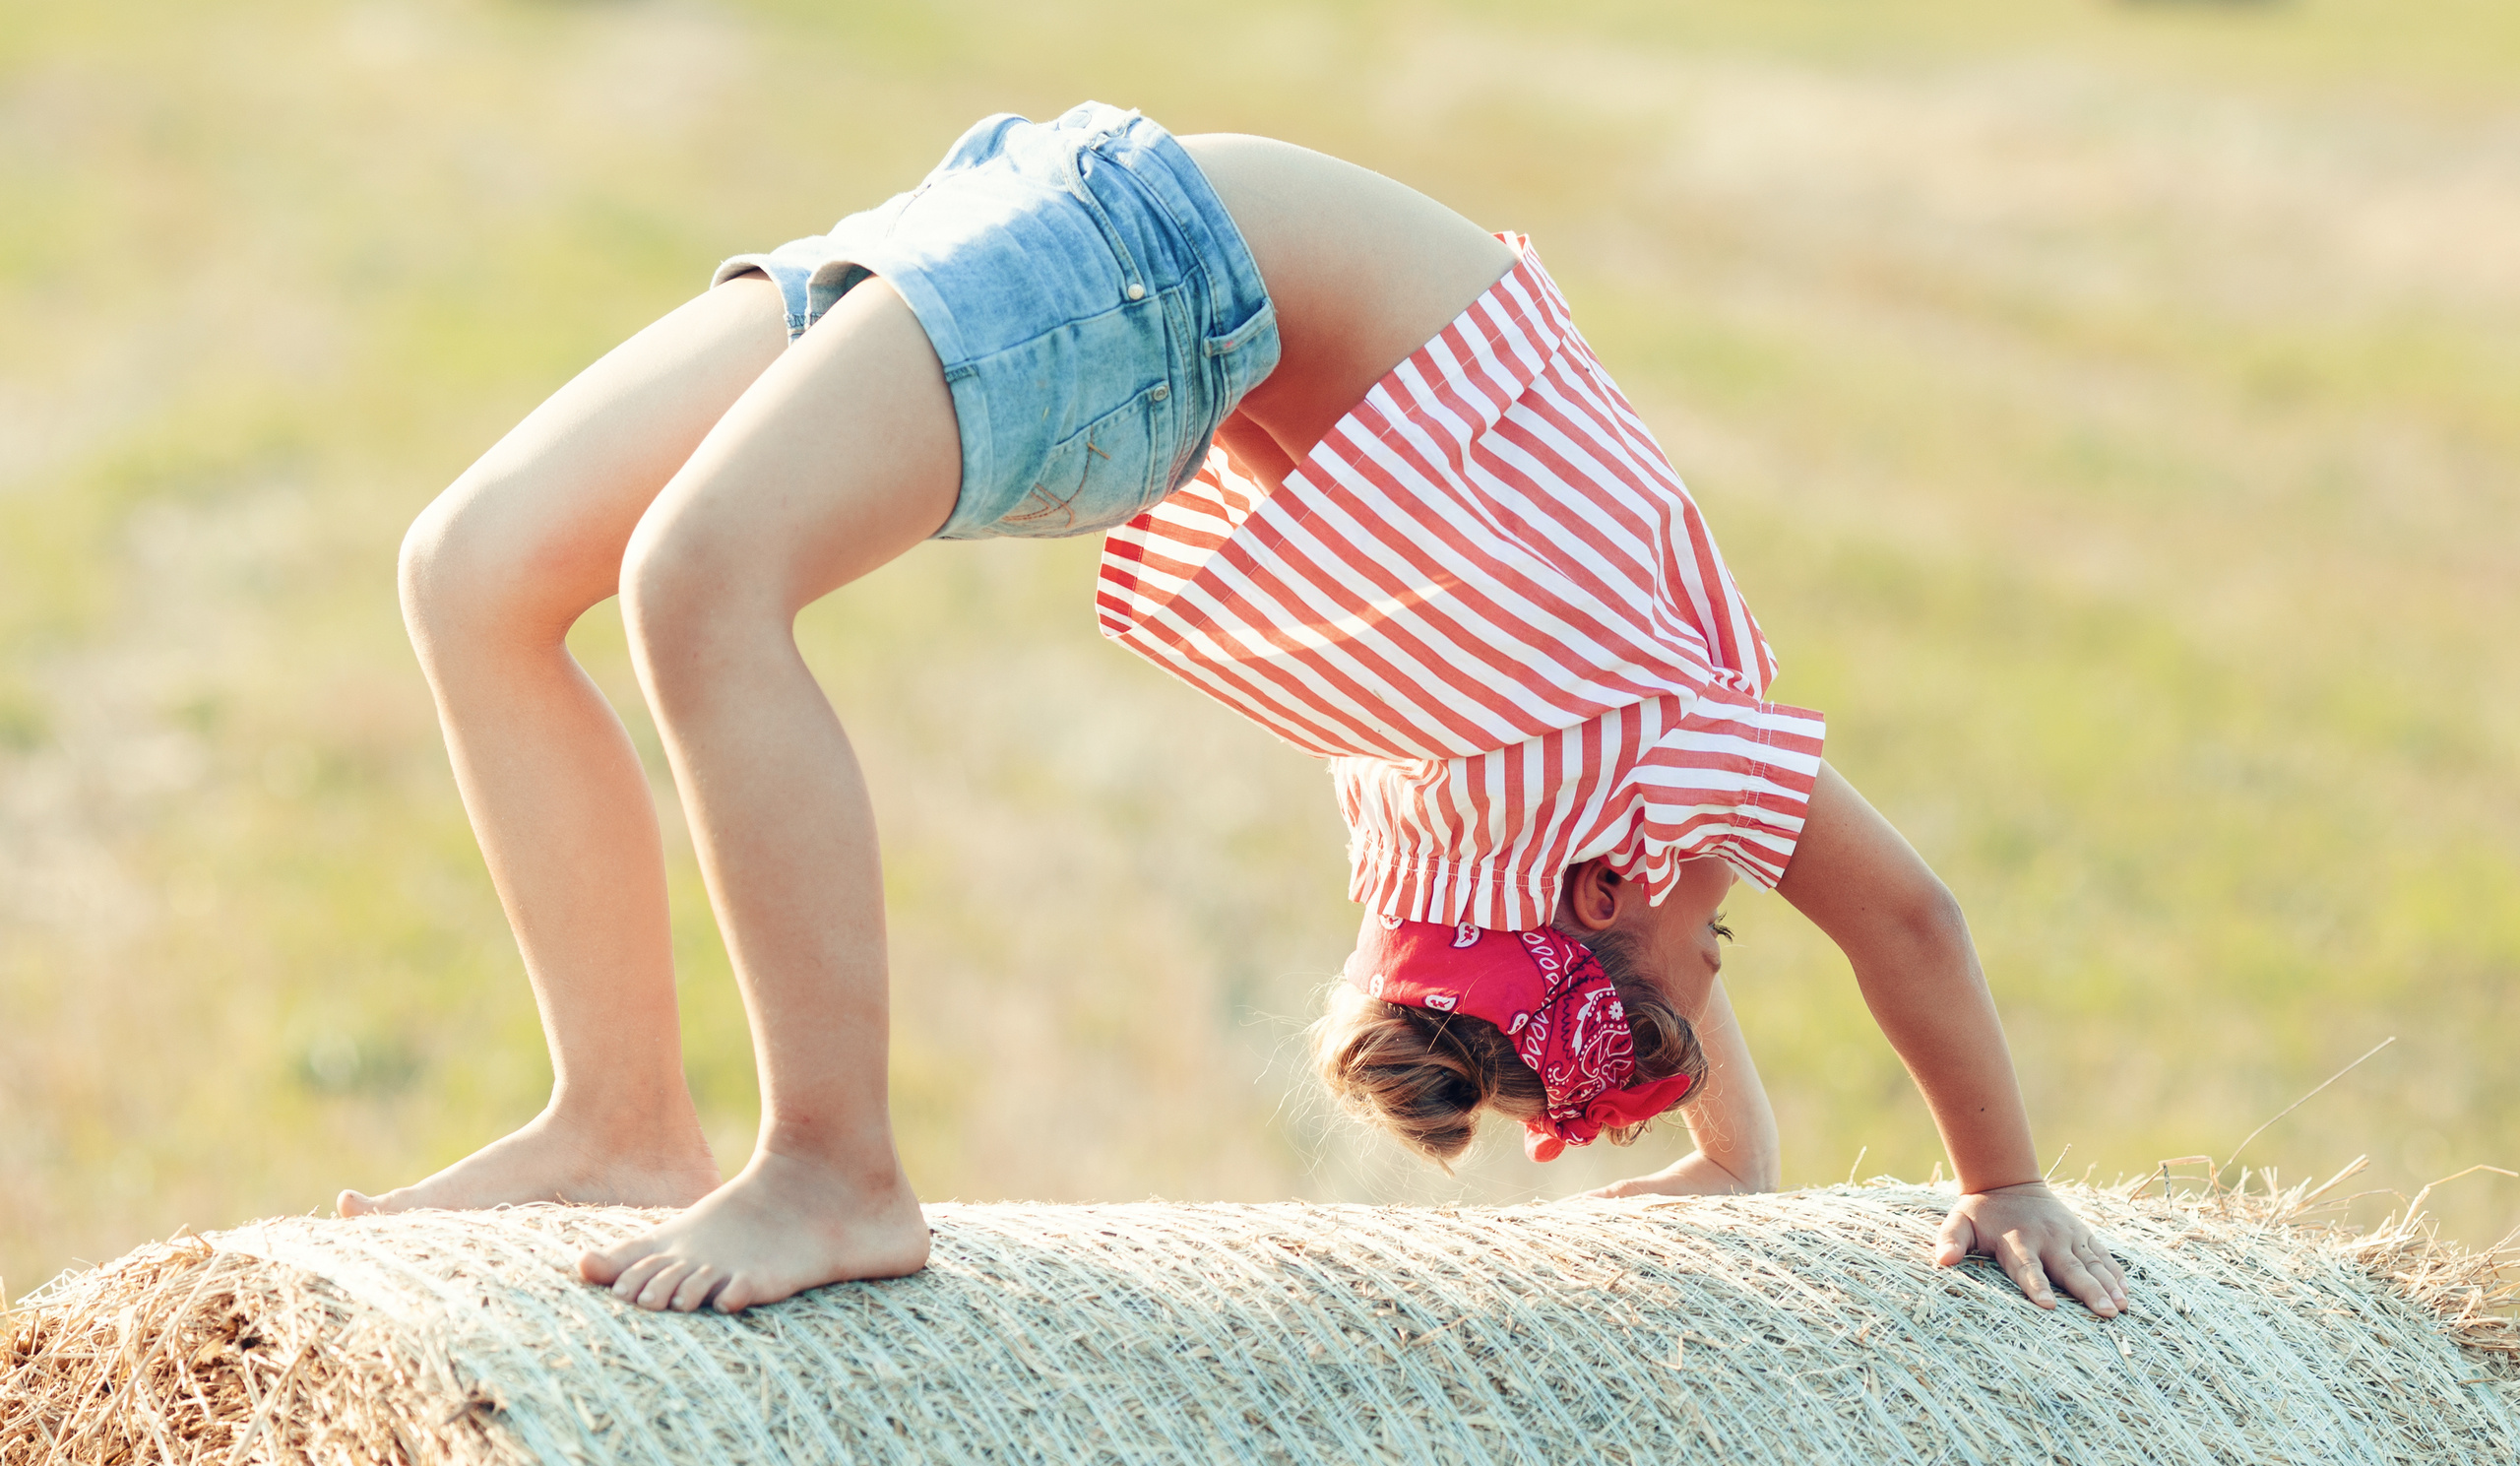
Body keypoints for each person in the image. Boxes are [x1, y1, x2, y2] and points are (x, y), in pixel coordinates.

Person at [344, 102, 2131, 1322]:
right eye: (1725, 926)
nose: (1728, 903)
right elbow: (1879, 921)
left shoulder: (1528, 810)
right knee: (472, 570)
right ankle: (620, 1121)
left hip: (1123, 248)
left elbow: (1638, 961)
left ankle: (834, 1167)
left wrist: (1728, 1150)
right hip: (1115, 228)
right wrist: (2002, 1181)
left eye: (1710, 936)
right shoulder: (1648, 745)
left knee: (691, 585)